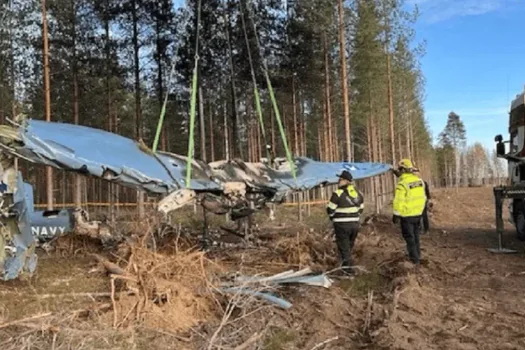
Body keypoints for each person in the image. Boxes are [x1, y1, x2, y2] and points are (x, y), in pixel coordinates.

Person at [326, 170, 365, 275]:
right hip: (355, 225)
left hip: (341, 225)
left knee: (344, 247)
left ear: (345, 181)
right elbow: (361, 208)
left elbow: (330, 209)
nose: (339, 181)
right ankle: (346, 265)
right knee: (349, 246)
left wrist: (332, 218)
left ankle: (347, 270)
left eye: (341, 179)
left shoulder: (337, 193)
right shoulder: (358, 193)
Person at [392, 159, 427, 265]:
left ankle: (414, 260)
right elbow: (423, 197)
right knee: (416, 236)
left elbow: (399, 201)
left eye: (399, 169)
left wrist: (396, 215)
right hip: (417, 214)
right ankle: (418, 255)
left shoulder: (402, 184)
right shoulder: (419, 181)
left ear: (402, 169)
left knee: (409, 238)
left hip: (406, 216)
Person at [414, 168, 432, 234]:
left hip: (423, 201)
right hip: (415, 202)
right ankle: (419, 228)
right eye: (414, 172)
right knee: (417, 215)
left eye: (416, 172)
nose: (415, 174)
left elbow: (427, 192)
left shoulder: (423, 183)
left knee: (424, 215)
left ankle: (426, 229)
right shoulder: (412, 183)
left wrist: (429, 199)